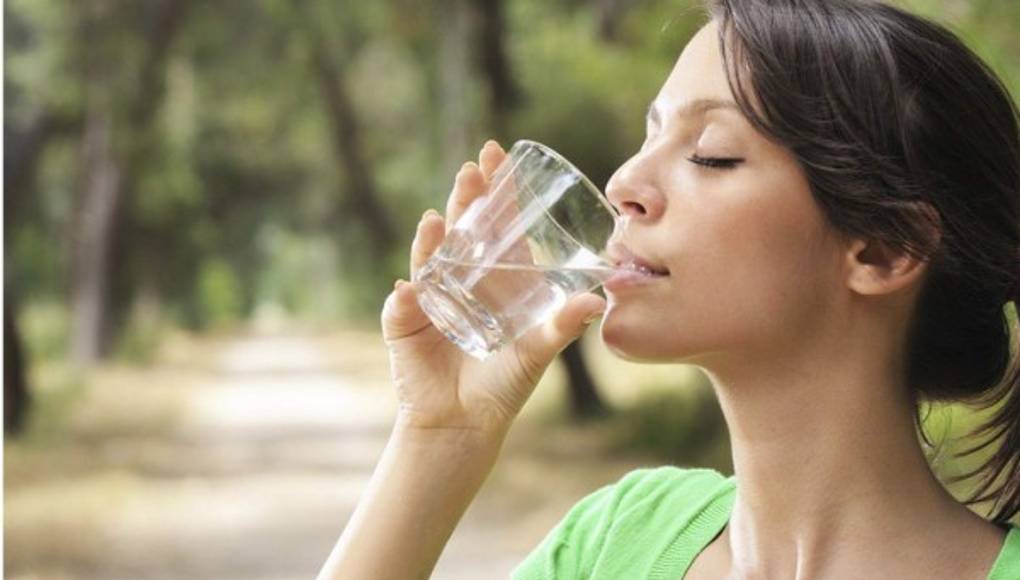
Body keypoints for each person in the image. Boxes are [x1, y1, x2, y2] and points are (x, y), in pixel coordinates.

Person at [317, 0, 1020, 578]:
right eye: (648, 136)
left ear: (884, 250)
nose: (623, 183)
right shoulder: (617, 540)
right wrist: (440, 436)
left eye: (710, 155)